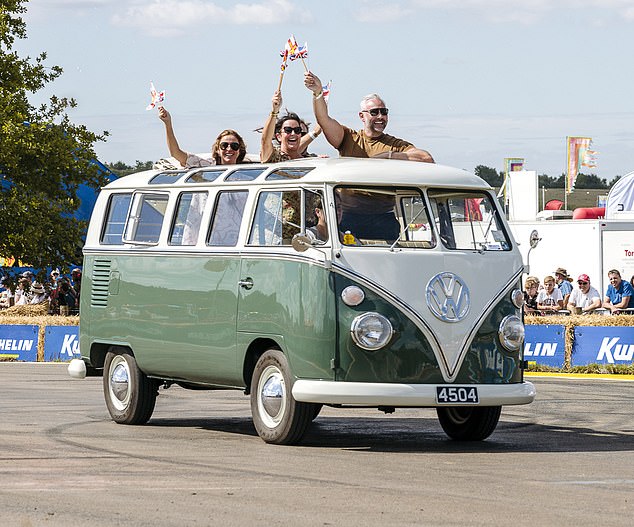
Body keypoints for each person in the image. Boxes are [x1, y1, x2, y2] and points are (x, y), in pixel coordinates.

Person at [304, 71, 434, 162]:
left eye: (384, 112)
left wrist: (389, 156)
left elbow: (426, 158)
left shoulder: (395, 145)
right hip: (348, 202)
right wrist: (318, 92)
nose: (380, 116)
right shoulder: (349, 138)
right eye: (374, 112)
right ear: (362, 116)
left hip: (383, 202)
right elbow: (323, 120)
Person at [158, 107, 247, 167]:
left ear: (239, 150)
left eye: (234, 146)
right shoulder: (206, 166)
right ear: (217, 150)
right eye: (224, 145)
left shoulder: (249, 175)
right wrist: (167, 123)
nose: (229, 149)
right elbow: (176, 153)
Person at [260, 90, 314, 163]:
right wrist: (274, 111)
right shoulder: (273, 157)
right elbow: (265, 141)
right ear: (279, 136)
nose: (293, 133)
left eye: (297, 130)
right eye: (288, 130)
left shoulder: (311, 160)